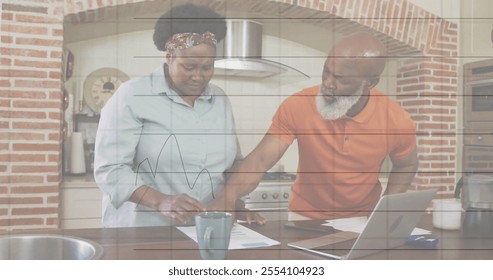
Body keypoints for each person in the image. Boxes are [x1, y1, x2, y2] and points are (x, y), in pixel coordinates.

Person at [212, 32, 419, 220]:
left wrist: (385, 212)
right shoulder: (299, 104)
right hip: (304, 218)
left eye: (340, 79)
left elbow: (406, 165)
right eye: (326, 72)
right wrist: (227, 198)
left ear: (370, 83)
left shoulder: (396, 120)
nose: (327, 83)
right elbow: (259, 161)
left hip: (362, 220)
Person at [94, 4, 264, 227]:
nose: (198, 76)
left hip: (205, 228)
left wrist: (234, 204)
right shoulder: (133, 95)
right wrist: (161, 201)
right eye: (189, 66)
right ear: (169, 55)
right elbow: (110, 169)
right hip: (145, 230)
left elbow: (231, 166)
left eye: (207, 67)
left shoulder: (220, 100)